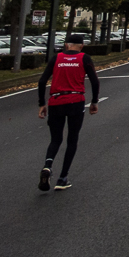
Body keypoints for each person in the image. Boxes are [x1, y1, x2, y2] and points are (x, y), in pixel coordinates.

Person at [37, 34, 99, 191]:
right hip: (75, 101)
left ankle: (48, 165)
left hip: (56, 101)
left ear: (66, 45)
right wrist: (94, 101)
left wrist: (42, 103)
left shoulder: (56, 58)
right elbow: (94, 81)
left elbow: (42, 81)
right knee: (72, 139)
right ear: (81, 46)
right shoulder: (84, 58)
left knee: (55, 139)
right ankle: (62, 177)